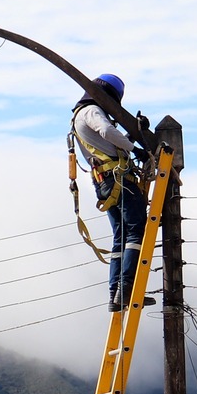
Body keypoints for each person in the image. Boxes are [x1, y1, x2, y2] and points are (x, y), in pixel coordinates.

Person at [70, 74, 146, 311]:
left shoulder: (79, 115)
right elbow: (106, 131)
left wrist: (134, 134)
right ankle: (126, 290)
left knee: (121, 237)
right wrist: (136, 149)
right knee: (135, 231)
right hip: (118, 180)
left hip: (106, 183)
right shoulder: (92, 111)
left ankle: (115, 294)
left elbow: (108, 143)